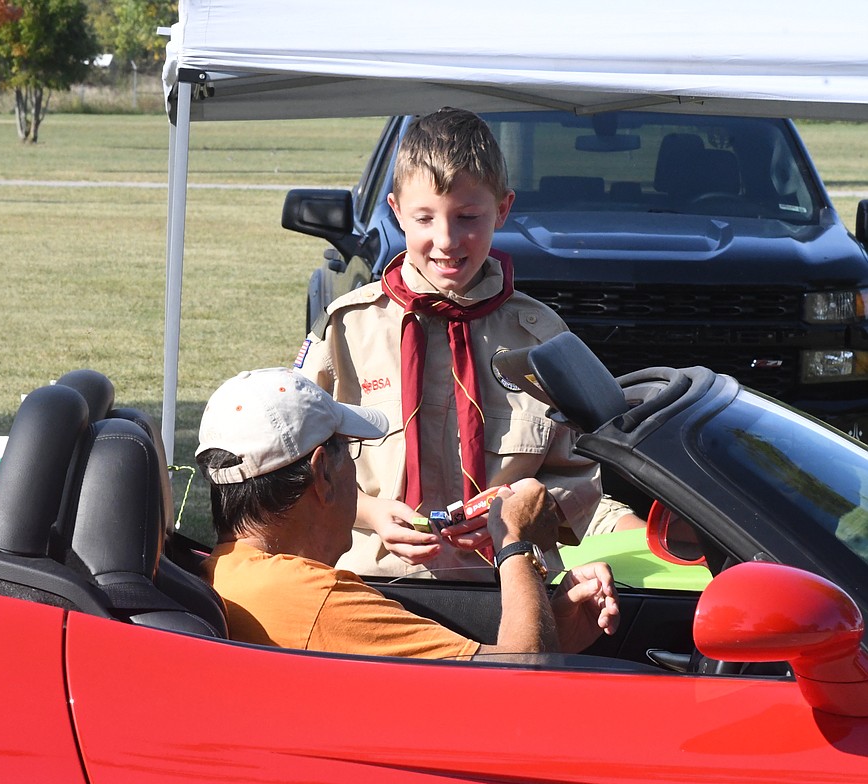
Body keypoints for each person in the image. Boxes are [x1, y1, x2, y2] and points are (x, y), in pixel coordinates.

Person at [295, 106, 639, 580]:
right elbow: (296, 466)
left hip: (508, 589)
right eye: (424, 218)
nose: (446, 239)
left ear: (502, 209)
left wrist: (523, 510)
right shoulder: (348, 330)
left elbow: (580, 478)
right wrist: (370, 512)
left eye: (468, 217)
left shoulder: (540, 337)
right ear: (395, 212)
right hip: (370, 585)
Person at [196, 367, 618, 659]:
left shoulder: (229, 573)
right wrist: (513, 539)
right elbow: (517, 680)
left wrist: (551, 625)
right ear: (322, 472)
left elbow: (501, 660)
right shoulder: (313, 600)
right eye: (351, 450)